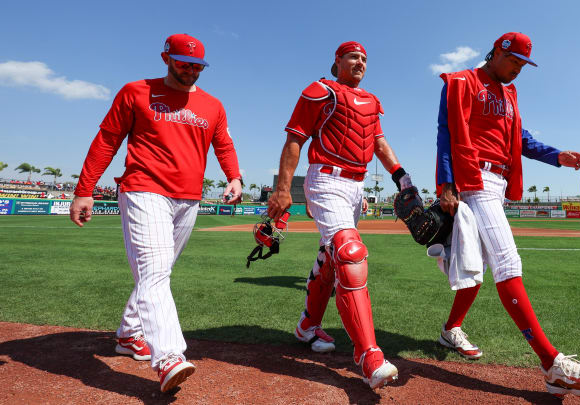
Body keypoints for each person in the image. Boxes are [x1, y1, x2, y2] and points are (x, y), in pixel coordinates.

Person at [434, 32, 580, 398]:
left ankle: (451, 328)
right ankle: (553, 365)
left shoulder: (509, 94)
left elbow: (520, 139)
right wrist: (446, 183)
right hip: (474, 177)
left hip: (497, 182)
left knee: (480, 265)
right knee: (507, 262)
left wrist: (555, 155)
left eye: (523, 64)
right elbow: (446, 132)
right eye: (514, 61)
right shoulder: (462, 81)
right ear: (498, 52)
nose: (519, 69)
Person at [69, 33, 243, 393]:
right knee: (154, 271)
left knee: (157, 271)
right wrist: (84, 190)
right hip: (143, 190)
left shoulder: (213, 105)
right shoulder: (135, 92)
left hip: (189, 198)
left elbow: (223, 143)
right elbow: (106, 139)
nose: (190, 71)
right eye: (183, 63)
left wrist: (235, 177)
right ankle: (168, 356)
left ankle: (130, 334)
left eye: (197, 66)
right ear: (166, 57)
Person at [267, 41, 413, 389]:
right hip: (326, 179)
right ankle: (369, 356)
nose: (360, 62)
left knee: (331, 257)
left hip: (356, 187)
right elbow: (295, 139)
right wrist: (284, 189)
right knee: (350, 252)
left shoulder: (372, 101)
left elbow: (378, 143)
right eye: (353, 57)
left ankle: (306, 326)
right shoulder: (320, 90)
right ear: (338, 61)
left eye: (364, 58)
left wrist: (403, 179)